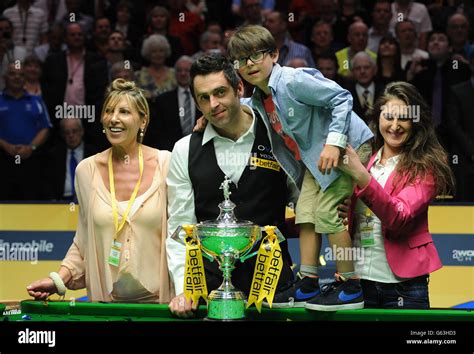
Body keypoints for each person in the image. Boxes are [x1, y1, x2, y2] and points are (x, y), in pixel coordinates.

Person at [228, 25, 374, 311]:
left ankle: (351, 284)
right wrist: (206, 120)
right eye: (241, 59)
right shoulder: (260, 97)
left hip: (346, 148)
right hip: (316, 160)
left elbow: (341, 97)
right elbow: (240, 105)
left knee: (327, 214)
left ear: (274, 54)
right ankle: (308, 282)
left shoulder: (293, 80)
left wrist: (335, 142)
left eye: (255, 55)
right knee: (305, 213)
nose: (248, 64)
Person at [166, 54, 296, 317]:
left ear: (239, 88)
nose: (213, 104)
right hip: (208, 293)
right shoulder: (184, 150)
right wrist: (184, 289)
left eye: (220, 92)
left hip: (275, 292)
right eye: (204, 98)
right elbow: (179, 228)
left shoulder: (278, 136)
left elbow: (304, 202)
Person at [26, 78, 174, 303]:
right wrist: (59, 279)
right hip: (106, 306)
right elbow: (84, 240)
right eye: (108, 111)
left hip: (160, 305)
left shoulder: (167, 164)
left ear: (143, 121)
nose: (114, 118)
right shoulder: (86, 170)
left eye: (124, 111)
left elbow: (182, 237)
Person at [338, 81, 454, 308]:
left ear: (415, 122)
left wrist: (361, 177)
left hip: (404, 287)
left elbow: (399, 217)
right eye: (388, 116)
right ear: (378, 117)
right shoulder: (367, 161)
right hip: (360, 282)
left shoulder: (426, 167)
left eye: (403, 118)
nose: (395, 125)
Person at [0, 63, 51, 200]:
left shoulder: (36, 101)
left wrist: (31, 147)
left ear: (25, 79)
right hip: (3, 161)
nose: (17, 77)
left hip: (30, 161)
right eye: (12, 74)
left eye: (21, 75)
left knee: (30, 202)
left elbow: (45, 128)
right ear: (4, 77)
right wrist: (5, 145)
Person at [145, 56, 201, 151]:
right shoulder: (162, 100)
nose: (183, 74)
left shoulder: (203, 97)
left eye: (187, 70)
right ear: (174, 74)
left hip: (200, 150)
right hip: (171, 152)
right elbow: (157, 133)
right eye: (179, 70)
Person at [41, 118, 97, 201]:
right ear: (62, 135)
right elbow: (47, 184)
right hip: (60, 203)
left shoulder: (94, 155)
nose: (71, 136)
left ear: (82, 131)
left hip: (88, 201)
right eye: (67, 133)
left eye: (74, 131)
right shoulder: (54, 155)